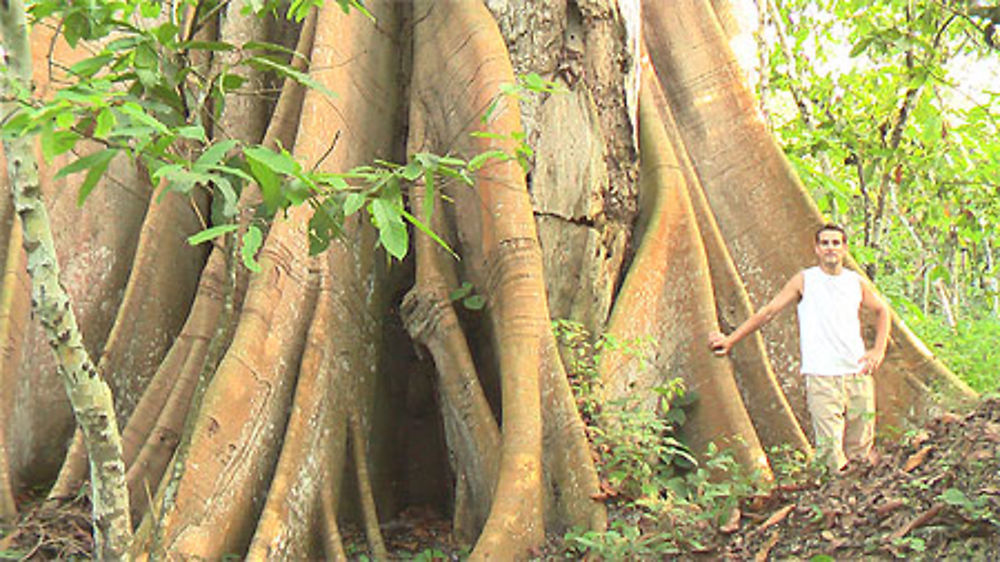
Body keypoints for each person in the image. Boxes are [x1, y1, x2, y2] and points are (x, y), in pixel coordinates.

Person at [707, 224, 891, 472]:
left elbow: (882, 311)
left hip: (857, 373)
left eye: (836, 243)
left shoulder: (855, 282)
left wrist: (878, 350)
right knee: (829, 451)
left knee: (861, 448)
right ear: (816, 249)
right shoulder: (806, 280)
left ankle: (860, 502)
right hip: (822, 375)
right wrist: (731, 340)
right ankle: (833, 501)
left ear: (845, 248)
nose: (830, 248)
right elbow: (769, 311)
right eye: (825, 243)